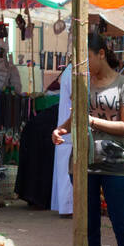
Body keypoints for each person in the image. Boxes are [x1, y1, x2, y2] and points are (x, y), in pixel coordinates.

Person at [52, 32, 124, 246]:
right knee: (87, 228)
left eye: (86, 58)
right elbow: (74, 118)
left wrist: (92, 121)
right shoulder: (83, 83)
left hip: (114, 164)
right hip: (82, 164)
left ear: (101, 54)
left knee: (123, 225)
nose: (83, 65)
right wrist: (60, 129)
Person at [51, 62, 74, 216]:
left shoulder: (69, 72)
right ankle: (68, 208)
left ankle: (67, 207)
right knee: (67, 172)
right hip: (69, 129)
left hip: (67, 128)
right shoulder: (73, 72)